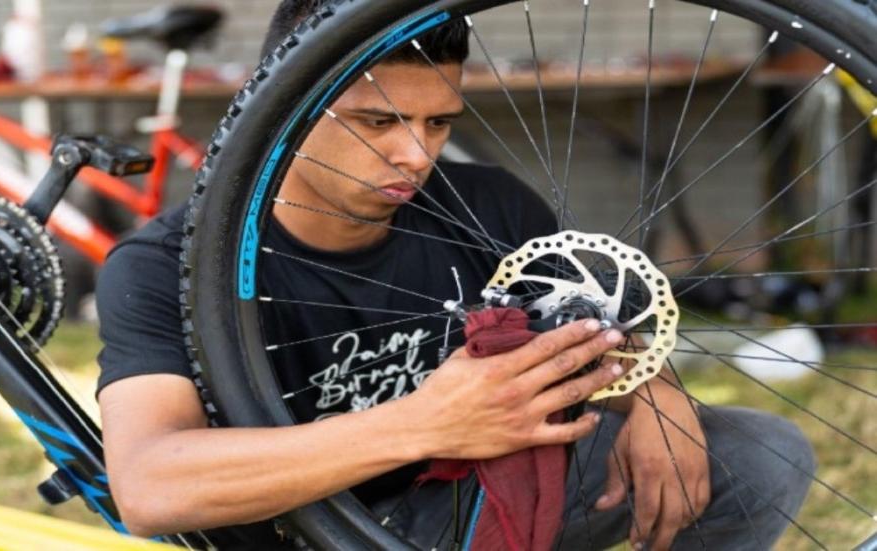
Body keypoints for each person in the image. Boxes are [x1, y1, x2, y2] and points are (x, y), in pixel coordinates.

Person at [96, 1, 815, 549]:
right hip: (312, 527)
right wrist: (422, 423)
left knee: (759, 454)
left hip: (483, 492)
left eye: (437, 122)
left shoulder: (489, 203)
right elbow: (152, 482)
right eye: (376, 123)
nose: (415, 154)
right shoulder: (169, 266)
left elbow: (594, 331)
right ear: (279, 108)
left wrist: (659, 397)